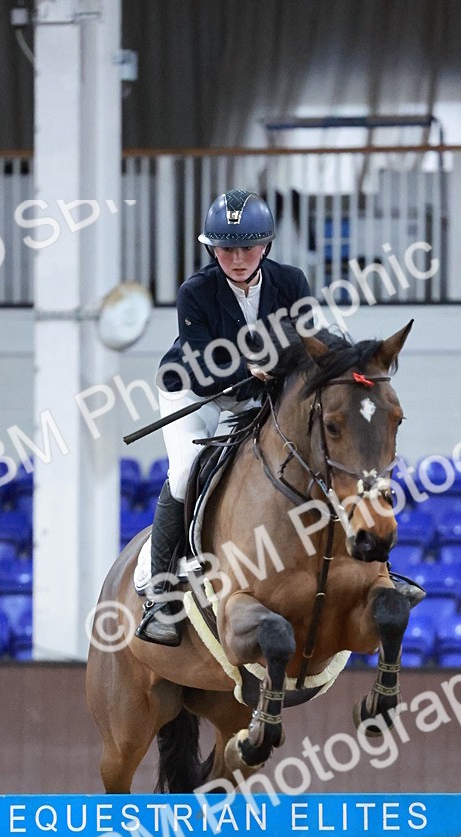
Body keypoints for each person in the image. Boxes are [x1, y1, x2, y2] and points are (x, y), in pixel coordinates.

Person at [135, 189, 313, 646]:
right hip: (194, 392)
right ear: (212, 249)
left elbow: (306, 342)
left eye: (247, 247)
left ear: (266, 246)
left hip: (260, 394)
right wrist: (249, 367)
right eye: (226, 248)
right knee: (184, 472)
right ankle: (160, 595)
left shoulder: (291, 282)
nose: (236, 258)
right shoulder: (195, 292)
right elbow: (199, 363)